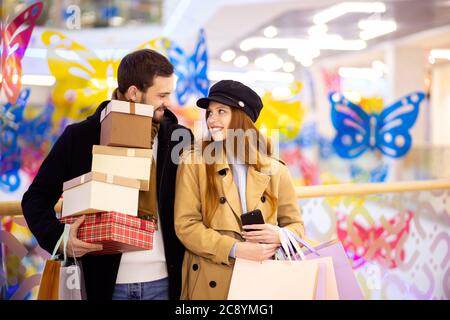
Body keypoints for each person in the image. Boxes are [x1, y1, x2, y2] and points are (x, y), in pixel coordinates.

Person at [22, 49, 193, 300]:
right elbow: (35, 198)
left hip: (164, 282)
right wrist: (61, 238)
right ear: (134, 93)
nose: (168, 101)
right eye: (162, 95)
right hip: (102, 283)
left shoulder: (178, 137)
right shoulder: (80, 137)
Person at [174, 80, 305, 299]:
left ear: (241, 118)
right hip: (210, 280)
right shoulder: (194, 163)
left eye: (221, 111)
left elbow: (296, 225)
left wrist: (280, 235)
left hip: (262, 281)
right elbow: (185, 226)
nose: (212, 120)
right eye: (209, 113)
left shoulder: (275, 169)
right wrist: (234, 249)